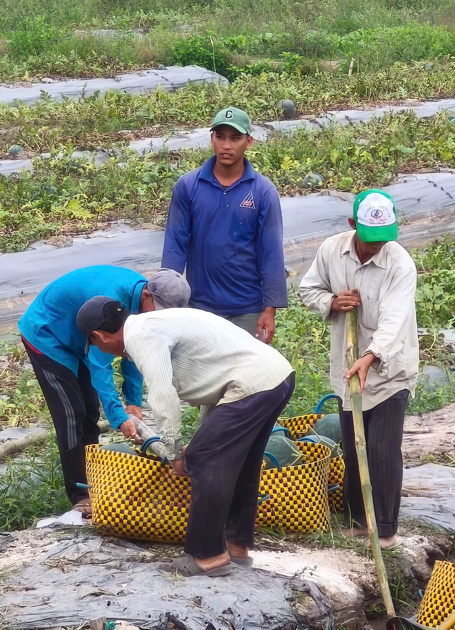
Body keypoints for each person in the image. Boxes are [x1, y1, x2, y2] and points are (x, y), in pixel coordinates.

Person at [78, 297, 295, 577]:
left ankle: (207, 556)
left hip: (253, 384)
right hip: (275, 377)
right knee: (242, 465)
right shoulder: (155, 323)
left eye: (95, 345)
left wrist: (175, 451)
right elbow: (217, 384)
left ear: (100, 336)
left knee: (203, 462)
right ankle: (235, 546)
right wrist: (203, 436)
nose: (101, 349)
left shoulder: (141, 336)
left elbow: (163, 395)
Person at [17, 266, 190, 515]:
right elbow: (101, 365)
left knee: (90, 411)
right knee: (72, 412)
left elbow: (133, 350)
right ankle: (80, 495)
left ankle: (92, 481)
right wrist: (119, 417)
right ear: (147, 296)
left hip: (84, 339)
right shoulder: (110, 304)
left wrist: (133, 402)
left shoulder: (144, 305)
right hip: (49, 334)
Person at [299, 189, 418, 549]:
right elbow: (308, 289)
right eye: (369, 241)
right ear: (353, 225)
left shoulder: (399, 264)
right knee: (354, 446)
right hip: (349, 366)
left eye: (382, 242)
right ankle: (355, 522)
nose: (374, 248)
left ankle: (384, 530)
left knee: (382, 448)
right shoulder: (332, 251)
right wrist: (333, 301)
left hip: (389, 368)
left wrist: (371, 356)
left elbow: (394, 321)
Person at [162, 106, 287, 341]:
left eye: (235, 138)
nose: (226, 145)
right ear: (212, 139)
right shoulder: (188, 186)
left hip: (248, 308)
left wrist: (270, 309)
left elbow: (270, 252)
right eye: (220, 137)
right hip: (200, 307)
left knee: (248, 376)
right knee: (202, 374)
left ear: (248, 142)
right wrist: (167, 300)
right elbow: (175, 246)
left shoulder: (262, 191)